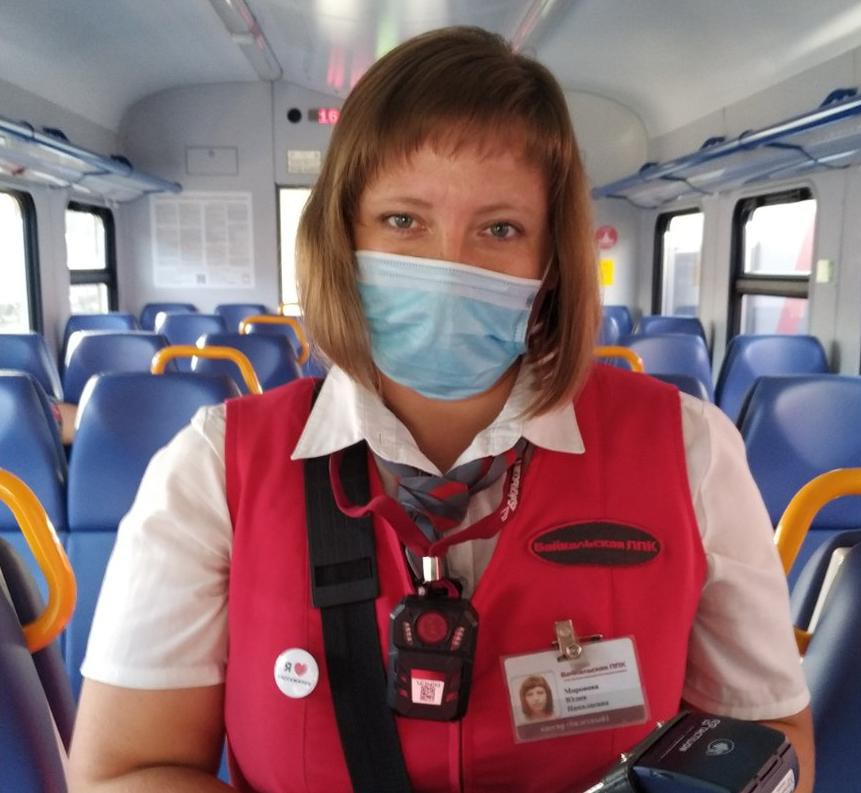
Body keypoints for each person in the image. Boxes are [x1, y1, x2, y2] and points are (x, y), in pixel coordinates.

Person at [68, 26, 814, 793]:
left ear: (550, 263)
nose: (448, 265)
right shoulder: (213, 468)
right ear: (341, 236)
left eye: (500, 228)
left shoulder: (688, 450)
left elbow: (768, 742)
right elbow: (124, 772)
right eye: (402, 221)